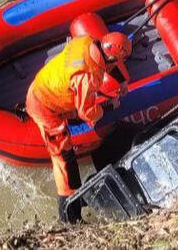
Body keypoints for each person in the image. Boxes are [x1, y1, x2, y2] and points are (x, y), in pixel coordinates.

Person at [25, 30, 131, 223]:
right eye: (116, 61)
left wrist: (121, 81)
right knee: (65, 159)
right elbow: (87, 113)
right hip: (45, 107)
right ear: (111, 57)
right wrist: (108, 106)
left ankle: (75, 201)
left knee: (68, 150)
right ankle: (69, 215)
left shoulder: (87, 42)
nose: (116, 65)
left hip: (47, 88)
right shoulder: (87, 77)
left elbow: (106, 62)